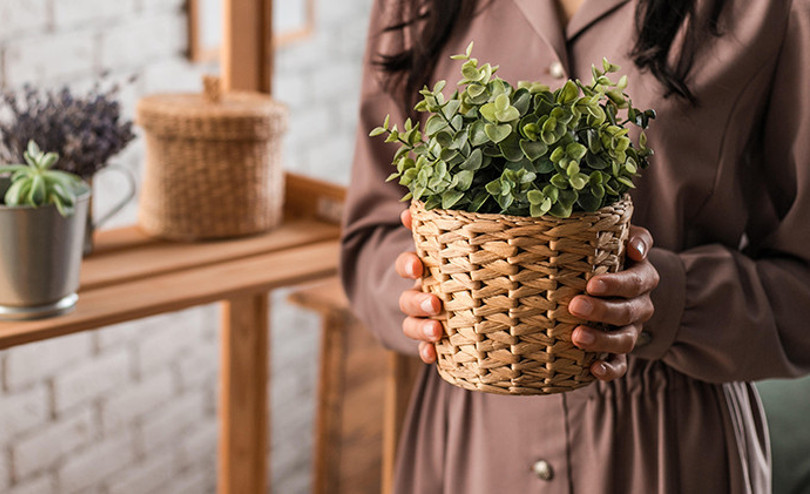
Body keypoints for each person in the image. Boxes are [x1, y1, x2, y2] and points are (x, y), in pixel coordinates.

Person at [340, 0, 810, 492]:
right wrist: (422, 294)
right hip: (471, 447)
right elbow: (371, 234)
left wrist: (669, 301)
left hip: (666, 450)